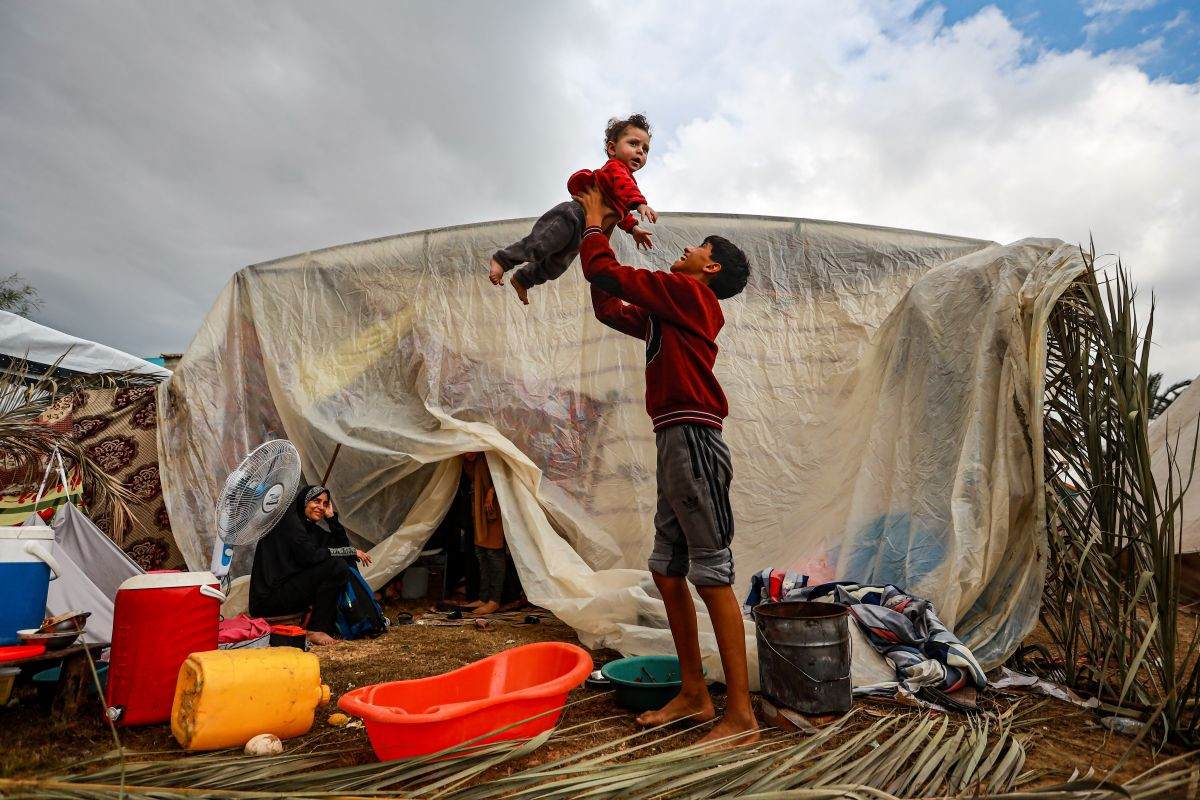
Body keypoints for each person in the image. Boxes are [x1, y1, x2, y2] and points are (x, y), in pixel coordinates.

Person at [574, 183, 758, 747]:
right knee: (666, 568)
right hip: (674, 441)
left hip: (695, 440)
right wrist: (604, 223)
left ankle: (741, 718)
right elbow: (608, 302)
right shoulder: (671, 311)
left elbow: (607, 272)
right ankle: (695, 692)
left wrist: (592, 218)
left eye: (699, 247)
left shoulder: (691, 297)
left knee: (712, 573)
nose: (686, 250)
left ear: (712, 266)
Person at [488, 114, 658, 306]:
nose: (640, 152)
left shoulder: (626, 185)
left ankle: (523, 279)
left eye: (645, 149)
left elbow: (621, 212)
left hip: (583, 232)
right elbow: (627, 189)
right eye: (633, 144)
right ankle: (502, 260)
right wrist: (640, 203)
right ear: (612, 148)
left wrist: (634, 229)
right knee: (540, 244)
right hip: (572, 215)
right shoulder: (616, 169)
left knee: (557, 265)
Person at [249, 485, 372, 646]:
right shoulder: (289, 523)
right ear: (304, 501)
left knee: (341, 563)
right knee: (335, 566)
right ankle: (316, 629)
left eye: (325, 503)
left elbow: (340, 545)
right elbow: (310, 556)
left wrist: (331, 519)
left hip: (286, 591)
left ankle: (345, 619)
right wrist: (350, 551)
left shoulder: (308, 528)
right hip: (268, 599)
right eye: (316, 501)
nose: (321, 507)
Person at [461, 452, 508, 616]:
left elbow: (506, 474)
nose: (468, 454)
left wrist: (491, 491)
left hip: (493, 510)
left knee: (494, 555)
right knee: (481, 554)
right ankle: (484, 597)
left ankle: (494, 600)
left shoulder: (489, 456)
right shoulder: (466, 462)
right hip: (479, 512)